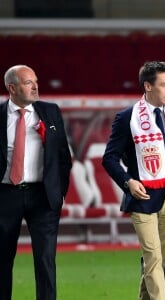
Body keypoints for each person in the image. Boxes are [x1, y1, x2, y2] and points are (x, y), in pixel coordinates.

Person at [102, 61, 165, 300]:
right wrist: (128, 181)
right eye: (164, 85)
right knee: (153, 257)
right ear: (148, 86)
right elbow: (109, 158)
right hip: (144, 194)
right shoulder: (127, 117)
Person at [0, 65, 72, 300]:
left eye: (36, 81)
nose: (35, 86)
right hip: (5, 196)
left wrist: (60, 193)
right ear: (12, 88)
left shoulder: (51, 112)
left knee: (45, 260)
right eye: (28, 82)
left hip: (43, 195)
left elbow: (63, 156)